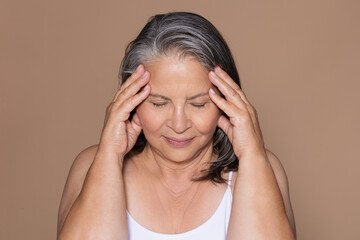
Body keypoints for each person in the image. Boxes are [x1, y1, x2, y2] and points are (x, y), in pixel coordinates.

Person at [57, 12, 296, 240]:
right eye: (159, 104)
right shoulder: (91, 165)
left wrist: (252, 155)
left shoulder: (261, 167)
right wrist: (109, 154)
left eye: (199, 104)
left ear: (227, 102)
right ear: (131, 100)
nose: (179, 125)